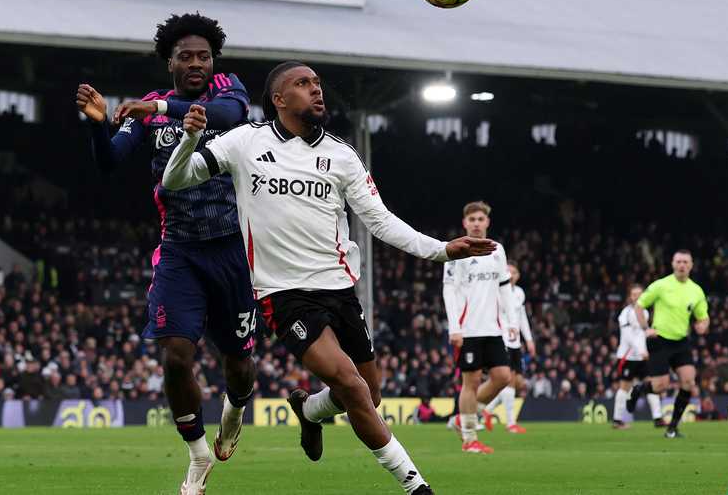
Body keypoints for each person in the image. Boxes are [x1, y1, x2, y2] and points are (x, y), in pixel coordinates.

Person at [162, 61, 496, 494]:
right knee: (353, 387)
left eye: (318, 83)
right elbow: (175, 179)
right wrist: (189, 138)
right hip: (284, 294)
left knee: (369, 394)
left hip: (339, 290)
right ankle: (418, 487)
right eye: (303, 84)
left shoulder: (341, 154)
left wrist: (440, 250)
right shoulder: (246, 142)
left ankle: (309, 411)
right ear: (279, 100)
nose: (316, 90)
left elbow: (380, 220)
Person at [77, 13, 256, 495]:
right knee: (176, 357)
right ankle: (198, 454)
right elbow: (109, 160)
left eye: (204, 56)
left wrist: (160, 110)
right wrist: (98, 126)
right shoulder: (151, 109)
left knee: (239, 366)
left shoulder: (227, 90)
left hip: (234, 253)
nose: (196, 63)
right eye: (186, 57)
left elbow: (228, 118)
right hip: (180, 253)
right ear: (169, 62)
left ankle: (235, 410)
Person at [441, 202, 515, 454]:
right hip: (468, 329)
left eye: (480, 218)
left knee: (503, 377)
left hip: (493, 328)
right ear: (465, 223)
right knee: (470, 381)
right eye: (471, 218)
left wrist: (512, 322)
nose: (476, 222)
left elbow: (504, 287)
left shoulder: (497, 250)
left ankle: (466, 416)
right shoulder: (456, 251)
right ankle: (469, 438)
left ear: (487, 222)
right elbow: (449, 290)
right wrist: (454, 327)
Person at [628, 250, 710, 438]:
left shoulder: (696, 291)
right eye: (678, 261)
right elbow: (640, 305)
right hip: (660, 340)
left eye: (685, 262)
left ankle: (672, 428)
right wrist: (645, 328)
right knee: (660, 386)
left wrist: (703, 326)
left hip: (681, 341)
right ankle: (639, 389)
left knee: (689, 381)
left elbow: (703, 317)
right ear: (673, 264)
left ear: (691, 265)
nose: (682, 265)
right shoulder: (661, 285)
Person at [483, 259, 535, 434]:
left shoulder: (519, 293)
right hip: (502, 339)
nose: (510, 275)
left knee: (518, 382)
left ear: (518, 276)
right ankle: (511, 423)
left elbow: (522, 318)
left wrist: (529, 339)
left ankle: (487, 410)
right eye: (507, 271)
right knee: (510, 381)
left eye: (513, 272)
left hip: (515, 342)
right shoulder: (496, 291)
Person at [611, 285, 663, 429]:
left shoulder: (645, 313)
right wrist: (641, 350)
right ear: (630, 297)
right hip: (628, 357)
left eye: (640, 294)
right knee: (624, 387)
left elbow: (641, 335)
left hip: (642, 357)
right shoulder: (625, 314)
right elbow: (628, 337)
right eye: (634, 294)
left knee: (651, 384)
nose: (637, 297)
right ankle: (617, 420)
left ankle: (658, 418)